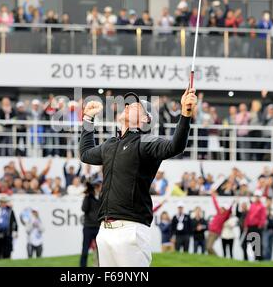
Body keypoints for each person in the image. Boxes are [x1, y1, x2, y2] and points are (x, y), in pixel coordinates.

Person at [79, 87, 196, 267]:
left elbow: (175, 146)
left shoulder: (146, 141)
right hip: (105, 231)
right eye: (127, 104)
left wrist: (185, 113)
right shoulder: (111, 143)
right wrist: (87, 119)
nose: (127, 106)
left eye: (134, 106)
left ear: (145, 119)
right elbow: (85, 154)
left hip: (131, 230)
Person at [80, 179, 102, 267]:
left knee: (100, 252)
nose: (97, 187)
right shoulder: (88, 197)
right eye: (95, 186)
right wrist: (87, 196)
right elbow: (84, 209)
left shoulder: (102, 197)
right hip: (88, 227)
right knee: (85, 251)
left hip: (98, 227)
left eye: (98, 186)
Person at [206, 191, 232, 256]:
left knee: (209, 247)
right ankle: (211, 259)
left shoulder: (225, 216)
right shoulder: (218, 212)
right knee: (207, 247)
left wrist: (233, 204)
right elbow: (215, 203)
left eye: (223, 209)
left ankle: (216, 257)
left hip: (215, 233)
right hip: (210, 231)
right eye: (221, 208)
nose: (221, 209)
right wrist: (213, 196)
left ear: (225, 210)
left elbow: (229, 211)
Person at [244, 190, 267, 261]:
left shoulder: (262, 206)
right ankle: (249, 258)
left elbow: (263, 217)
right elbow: (248, 215)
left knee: (257, 243)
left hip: (257, 227)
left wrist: (260, 225)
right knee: (247, 243)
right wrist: (246, 224)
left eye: (258, 196)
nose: (257, 198)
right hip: (250, 227)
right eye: (256, 196)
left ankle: (259, 258)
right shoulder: (252, 205)